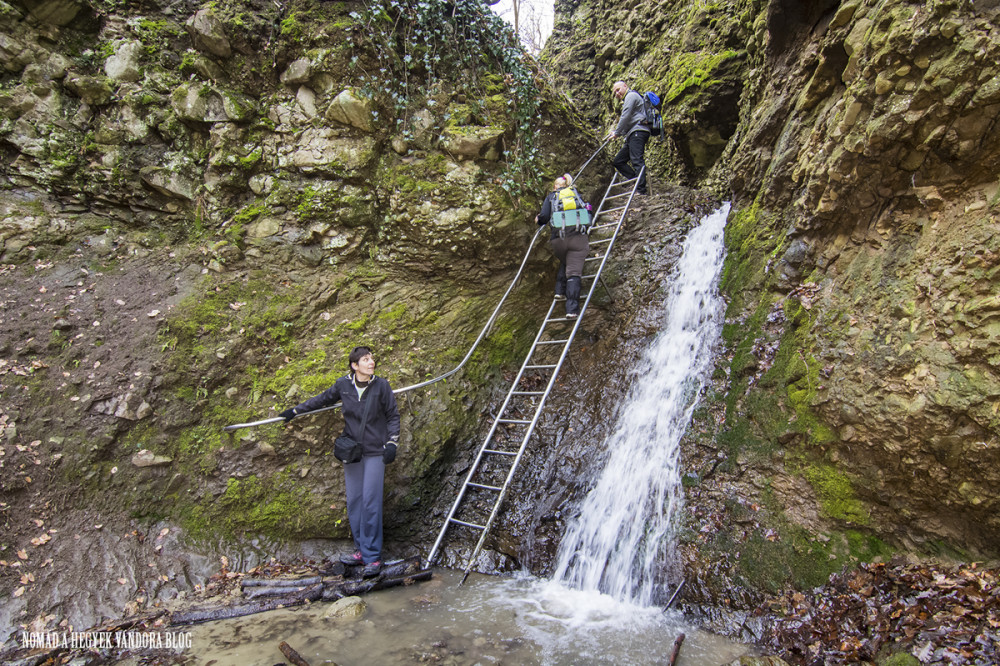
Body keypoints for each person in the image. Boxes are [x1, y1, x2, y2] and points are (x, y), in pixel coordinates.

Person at [278, 346, 400, 577]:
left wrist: (392, 443)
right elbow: (322, 399)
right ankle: (361, 549)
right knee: (355, 501)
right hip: (352, 452)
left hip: (375, 452)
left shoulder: (382, 386)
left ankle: (372, 556)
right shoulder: (343, 385)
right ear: (355, 365)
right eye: (365, 359)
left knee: (371, 502)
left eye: (371, 359)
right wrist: (295, 410)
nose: (371, 362)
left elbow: (393, 416)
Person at [535, 173, 590, 319]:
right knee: (573, 273)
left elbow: (544, 217)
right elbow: (587, 210)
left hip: (559, 240)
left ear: (555, 186)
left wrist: (538, 220)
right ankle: (571, 310)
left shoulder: (551, 197)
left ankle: (559, 291)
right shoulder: (575, 194)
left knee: (566, 260)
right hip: (578, 238)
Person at [605, 80, 650, 195]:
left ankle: (641, 190)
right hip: (632, 133)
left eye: (618, 90)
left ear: (625, 86)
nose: (617, 93)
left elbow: (625, 116)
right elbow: (628, 120)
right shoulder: (628, 98)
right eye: (615, 92)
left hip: (638, 131)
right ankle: (637, 179)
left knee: (636, 160)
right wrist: (617, 133)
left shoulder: (631, 96)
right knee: (618, 161)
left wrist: (617, 132)